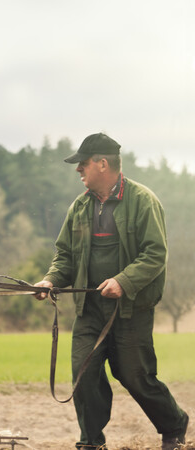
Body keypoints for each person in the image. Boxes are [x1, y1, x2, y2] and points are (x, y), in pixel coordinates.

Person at [33, 133, 188, 449]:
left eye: (83, 164)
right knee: (84, 375)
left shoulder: (144, 201)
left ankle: (174, 424)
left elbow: (155, 254)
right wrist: (50, 280)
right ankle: (91, 441)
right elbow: (64, 254)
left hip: (131, 310)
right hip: (88, 311)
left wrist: (123, 281)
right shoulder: (79, 207)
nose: (78, 171)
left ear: (102, 164)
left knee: (135, 376)